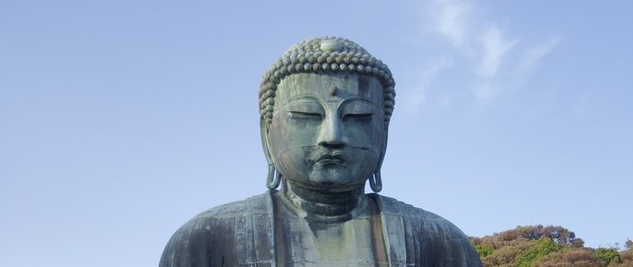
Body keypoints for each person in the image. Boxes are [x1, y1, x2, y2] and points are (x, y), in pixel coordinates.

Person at [160, 37, 482, 266]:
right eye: (307, 115)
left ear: (383, 137)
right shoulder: (207, 242)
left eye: (357, 117)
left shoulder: (439, 245)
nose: (332, 136)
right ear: (266, 135)